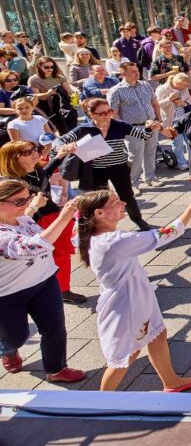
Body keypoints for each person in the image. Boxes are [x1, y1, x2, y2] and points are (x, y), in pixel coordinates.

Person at [75, 185, 191, 391]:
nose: (123, 204)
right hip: (127, 302)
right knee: (127, 354)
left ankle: (171, 381)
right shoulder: (115, 241)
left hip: (134, 294)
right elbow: (168, 233)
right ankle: (100, 402)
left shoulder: (89, 234)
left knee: (157, 333)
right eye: (116, 203)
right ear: (99, 213)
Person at [0, 180, 86, 382]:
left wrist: (31, 206)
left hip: (44, 281)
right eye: (20, 200)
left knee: (54, 326)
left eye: (27, 197)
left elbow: (29, 220)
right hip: (8, 293)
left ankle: (56, 369)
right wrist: (66, 214)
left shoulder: (21, 217)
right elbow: (34, 246)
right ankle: (8, 350)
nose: (26, 203)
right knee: (17, 336)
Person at [53, 98, 159, 231]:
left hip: (119, 168)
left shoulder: (119, 125)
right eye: (102, 113)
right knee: (101, 200)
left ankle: (138, 220)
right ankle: (102, 226)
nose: (107, 115)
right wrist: (65, 146)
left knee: (127, 196)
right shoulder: (84, 129)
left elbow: (144, 136)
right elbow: (59, 141)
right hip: (97, 171)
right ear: (91, 114)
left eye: (109, 111)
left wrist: (150, 129)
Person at [0, 141, 80, 303]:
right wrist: (32, 206)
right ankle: (48, 290)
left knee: (62, 254)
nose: (35, 153)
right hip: (30, 225)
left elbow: (46, 172)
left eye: (34, 149)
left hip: (52, 216)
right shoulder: (10, 182)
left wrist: (60, 155)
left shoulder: (36, 171)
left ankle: (63, 289)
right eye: (28, 152)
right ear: (13, 158)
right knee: (43, 257)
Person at [107, 62, 161, 189]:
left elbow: (154, 102)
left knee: (150, 152)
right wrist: (121, 128)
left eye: (137, 70)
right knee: (135, 156)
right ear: (123, 73)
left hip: (151, 124)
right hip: (132, 128)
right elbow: (113, 112)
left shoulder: (145, 85)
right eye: (132, 71)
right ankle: (132, 184)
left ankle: (150, 177)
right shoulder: (116, 91)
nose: (137, 73)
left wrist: (159, 119)